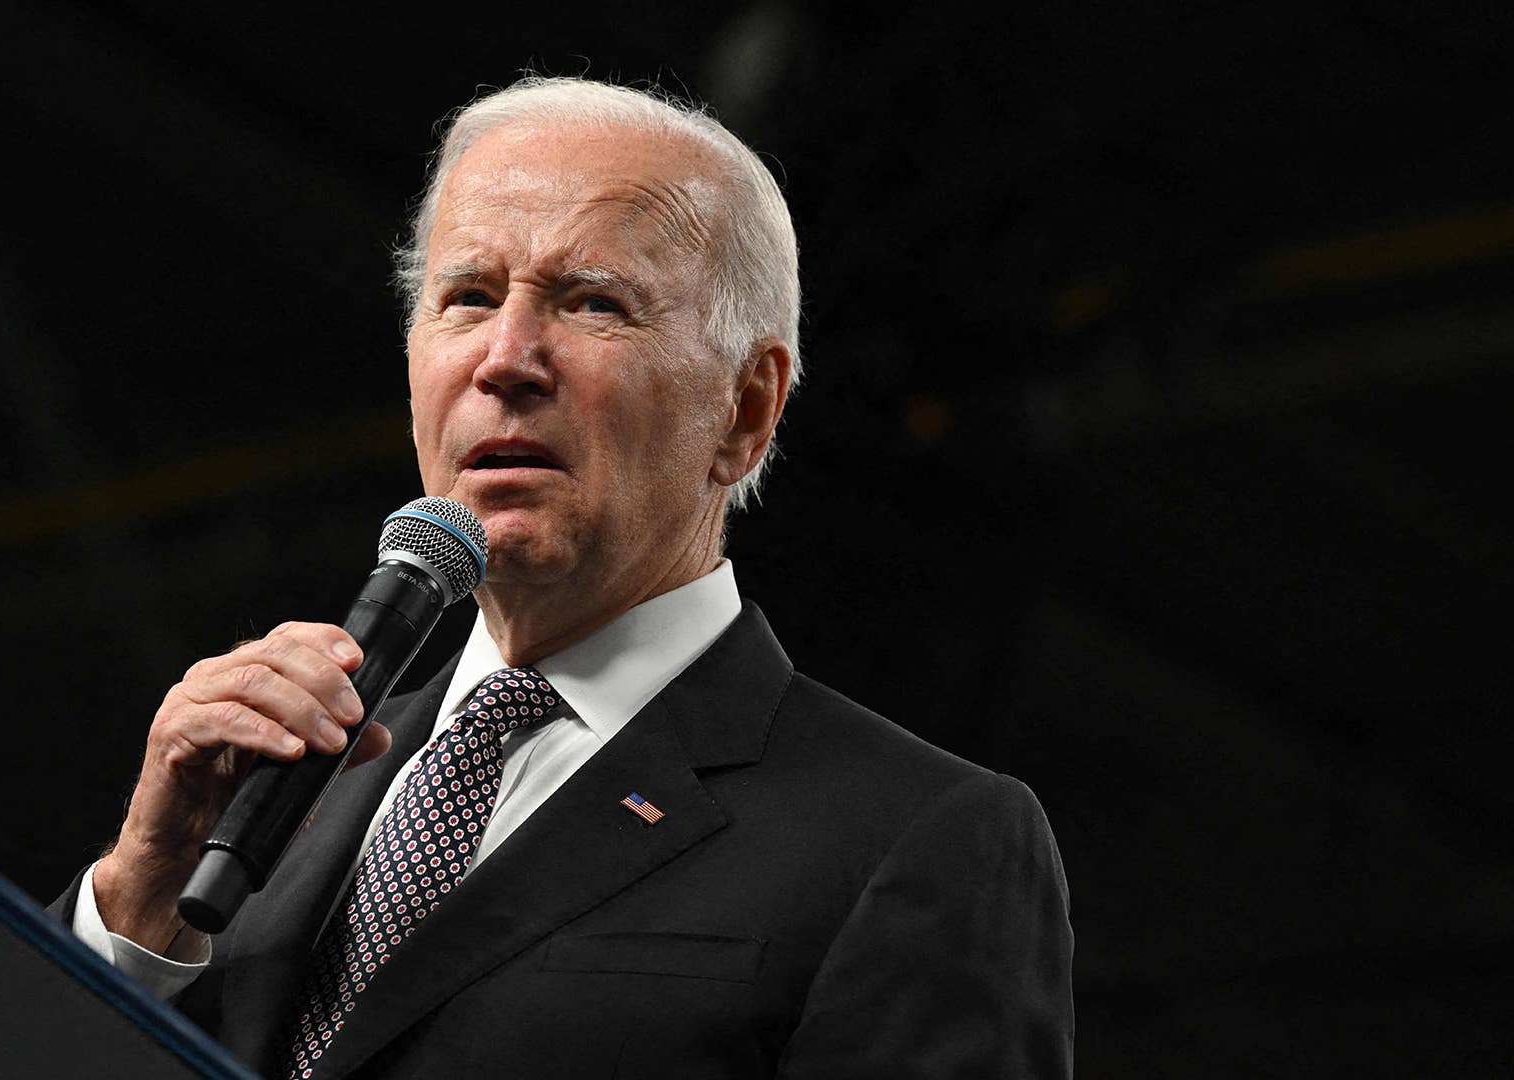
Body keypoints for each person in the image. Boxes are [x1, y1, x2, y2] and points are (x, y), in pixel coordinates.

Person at [54, 76, 1073, 1078]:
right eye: (467, 297)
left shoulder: (916, 836)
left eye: (592, 303)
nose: (506, 359)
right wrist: (139, 899)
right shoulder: (272, 799)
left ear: (746, 410)